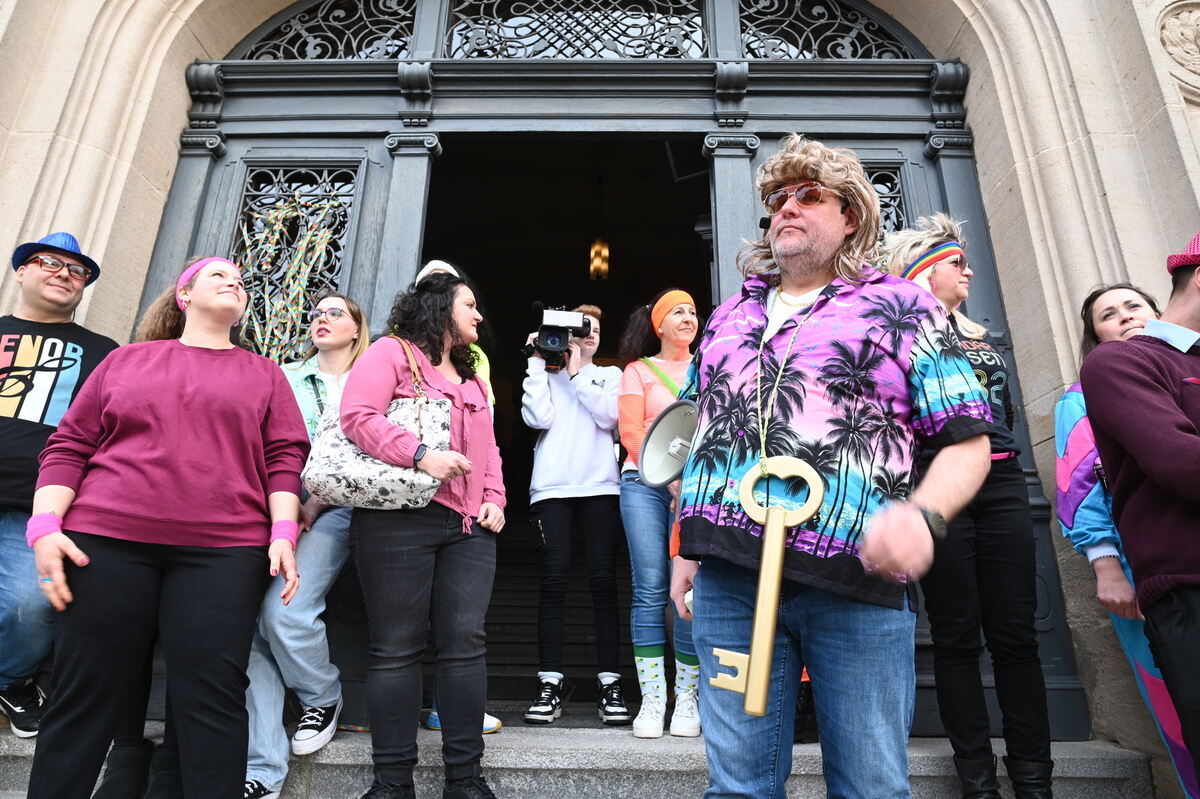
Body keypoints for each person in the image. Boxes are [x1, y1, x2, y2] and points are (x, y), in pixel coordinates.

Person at [669, 134, 993, 799]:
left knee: (871, 786)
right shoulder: (729, 316)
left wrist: (924, 517)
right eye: (778, 197)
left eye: (808, 195)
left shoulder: (904, 307)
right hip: (730, 579)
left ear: (852, 215)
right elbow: (691, 431)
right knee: (736, 787)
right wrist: (685, 546)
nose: (787, 207)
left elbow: (968, 441)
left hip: (858, 580)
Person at [24, 256, 309, 799]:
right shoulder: (127, 360)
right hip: (105, 544)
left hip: (223, 551)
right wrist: (44, 525)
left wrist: (283, 534)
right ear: (185, 295)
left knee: (213, 698)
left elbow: (284, 459)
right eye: (218, 275)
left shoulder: (264, 374)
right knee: (83, 694)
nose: (235, 283)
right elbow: (70, 445)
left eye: (241, 280)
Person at [887, 214, 1052, 798]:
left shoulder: (984, 337)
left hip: (1004, 488)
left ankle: (1034, 781)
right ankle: (977, 781)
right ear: (927, 271)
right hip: (938, 488)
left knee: (1016, 637)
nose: (970, 270)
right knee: (957, 636)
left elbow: (1000, 424)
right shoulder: (899, 335)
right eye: (959, 263)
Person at [340, 271, 505, 799]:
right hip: (397, 520)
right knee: (395, 649)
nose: (479, 316)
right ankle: (391, 784)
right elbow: (357, 416)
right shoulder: (389, 353)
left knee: (466, 645)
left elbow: (491, 448)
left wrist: (495, 499)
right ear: (440, 309)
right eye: (470, 305)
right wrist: (419, 454)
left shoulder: (473, 378)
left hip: (467, 528)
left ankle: (465, 780)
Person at [1055, 284, 1198, 798]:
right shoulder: (1083, 396)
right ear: (1094, 336)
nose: (1124, 317)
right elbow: (1079, 483)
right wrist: (1105, 564)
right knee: (1179, 698)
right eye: (1107, 315)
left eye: (1133, 305)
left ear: (1158, 311)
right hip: (1144, 567)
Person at [242, 292, 371, 799]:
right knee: (249, 633)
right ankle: (262, 769)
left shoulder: (374, 379)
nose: (322, 318)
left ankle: (322, 694)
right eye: (316, 312)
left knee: (284, 615)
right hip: (272, 503)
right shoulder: (282, 376)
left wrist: (315, 502)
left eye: (336, 312)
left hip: (341, 508)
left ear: (358, 329)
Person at [0, 232, 117, 740]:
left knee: (32, 605)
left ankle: (13, 680)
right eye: (49, 262)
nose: (63, 274)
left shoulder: (104, 353)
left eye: (76, 271)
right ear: (21, 271)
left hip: (40, 509)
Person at [520, 304, 630, 726]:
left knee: (604, 581)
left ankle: (610, 682)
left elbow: (609, 417)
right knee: (553, 581)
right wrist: (536, 362)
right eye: (579, 329)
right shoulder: (545, 371)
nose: (587, 335)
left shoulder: (610, 375)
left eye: (594, 329)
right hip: (551, 488)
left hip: (601, 486)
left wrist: (578, 371)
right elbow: (538, 416)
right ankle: (549, 681)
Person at [616, 288, 702, 739]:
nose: (688, 318)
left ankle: (686, 699)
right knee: (649, 588)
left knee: (686, 592)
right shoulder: (638, 370)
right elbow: (631, 429)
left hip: (698, 489)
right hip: (643, 483)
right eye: (678, 312)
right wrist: (665, 474)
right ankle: (653, 701)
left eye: (692, 311)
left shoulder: (708, 367)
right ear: (660, 325)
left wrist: (687, 481)